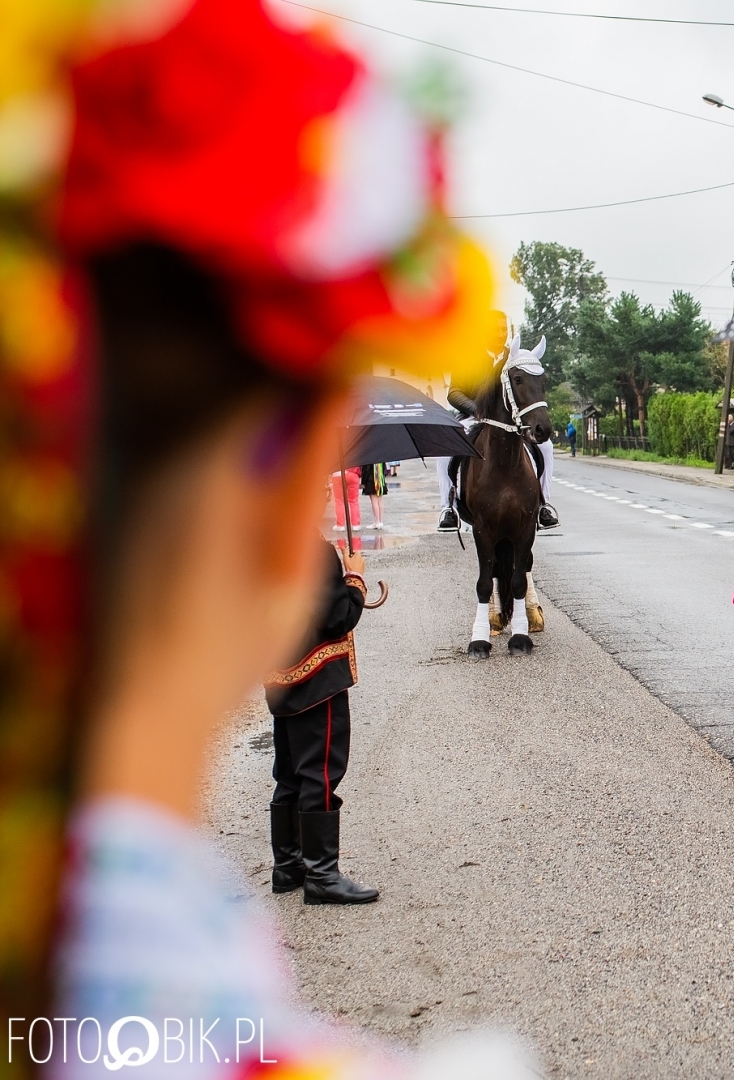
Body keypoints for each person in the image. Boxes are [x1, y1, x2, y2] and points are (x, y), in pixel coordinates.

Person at [9, 1, 528, 1071]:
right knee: (313, 762)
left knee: (534, 462)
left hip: (502, 419)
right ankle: (311, 856)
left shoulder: (509, 359)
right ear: (278, 494)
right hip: (328, 630)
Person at [264, 540, 378, 904]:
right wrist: (355, 577)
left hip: (280, 673)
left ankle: (288, 865)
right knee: (320, 771)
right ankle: (321, 874)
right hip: (317, 678)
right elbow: (337, 618)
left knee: (289, 770)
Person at [330, 465, 362, 535]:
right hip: (353, 473)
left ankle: (340, 525)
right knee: (353, 501)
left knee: (339, 501)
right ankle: (356, 525)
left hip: (337, 473)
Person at [360, 460, 387, 529]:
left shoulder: (369, 457)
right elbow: (385, 469)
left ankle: (376, 522)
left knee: (374, 502)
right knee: (380, 501)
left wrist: (363, 482)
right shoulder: (381, 457)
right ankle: (380, 521)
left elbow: (366, 470)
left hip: (371, 481)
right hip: (380, 480)